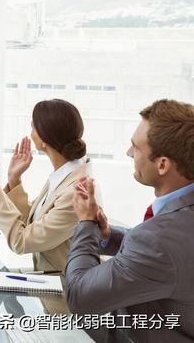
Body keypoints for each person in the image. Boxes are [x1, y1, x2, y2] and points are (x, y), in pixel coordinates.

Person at [67, 99, 194, 342]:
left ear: (163, 164)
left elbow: (79, 297)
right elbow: (171, 253)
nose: (129, 153)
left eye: (135, 148)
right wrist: (107, 235)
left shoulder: (158, 240)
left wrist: (85, 223)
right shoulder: (179, 221)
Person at [0, 99, 95, 273]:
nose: (30, 133)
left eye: (32, 127)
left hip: (63, 289)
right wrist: (14, 179)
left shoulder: (76, 191)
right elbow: (33, 224)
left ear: (43, 142)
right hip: (47, 277)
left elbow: (22, 242)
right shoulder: (65, 174)